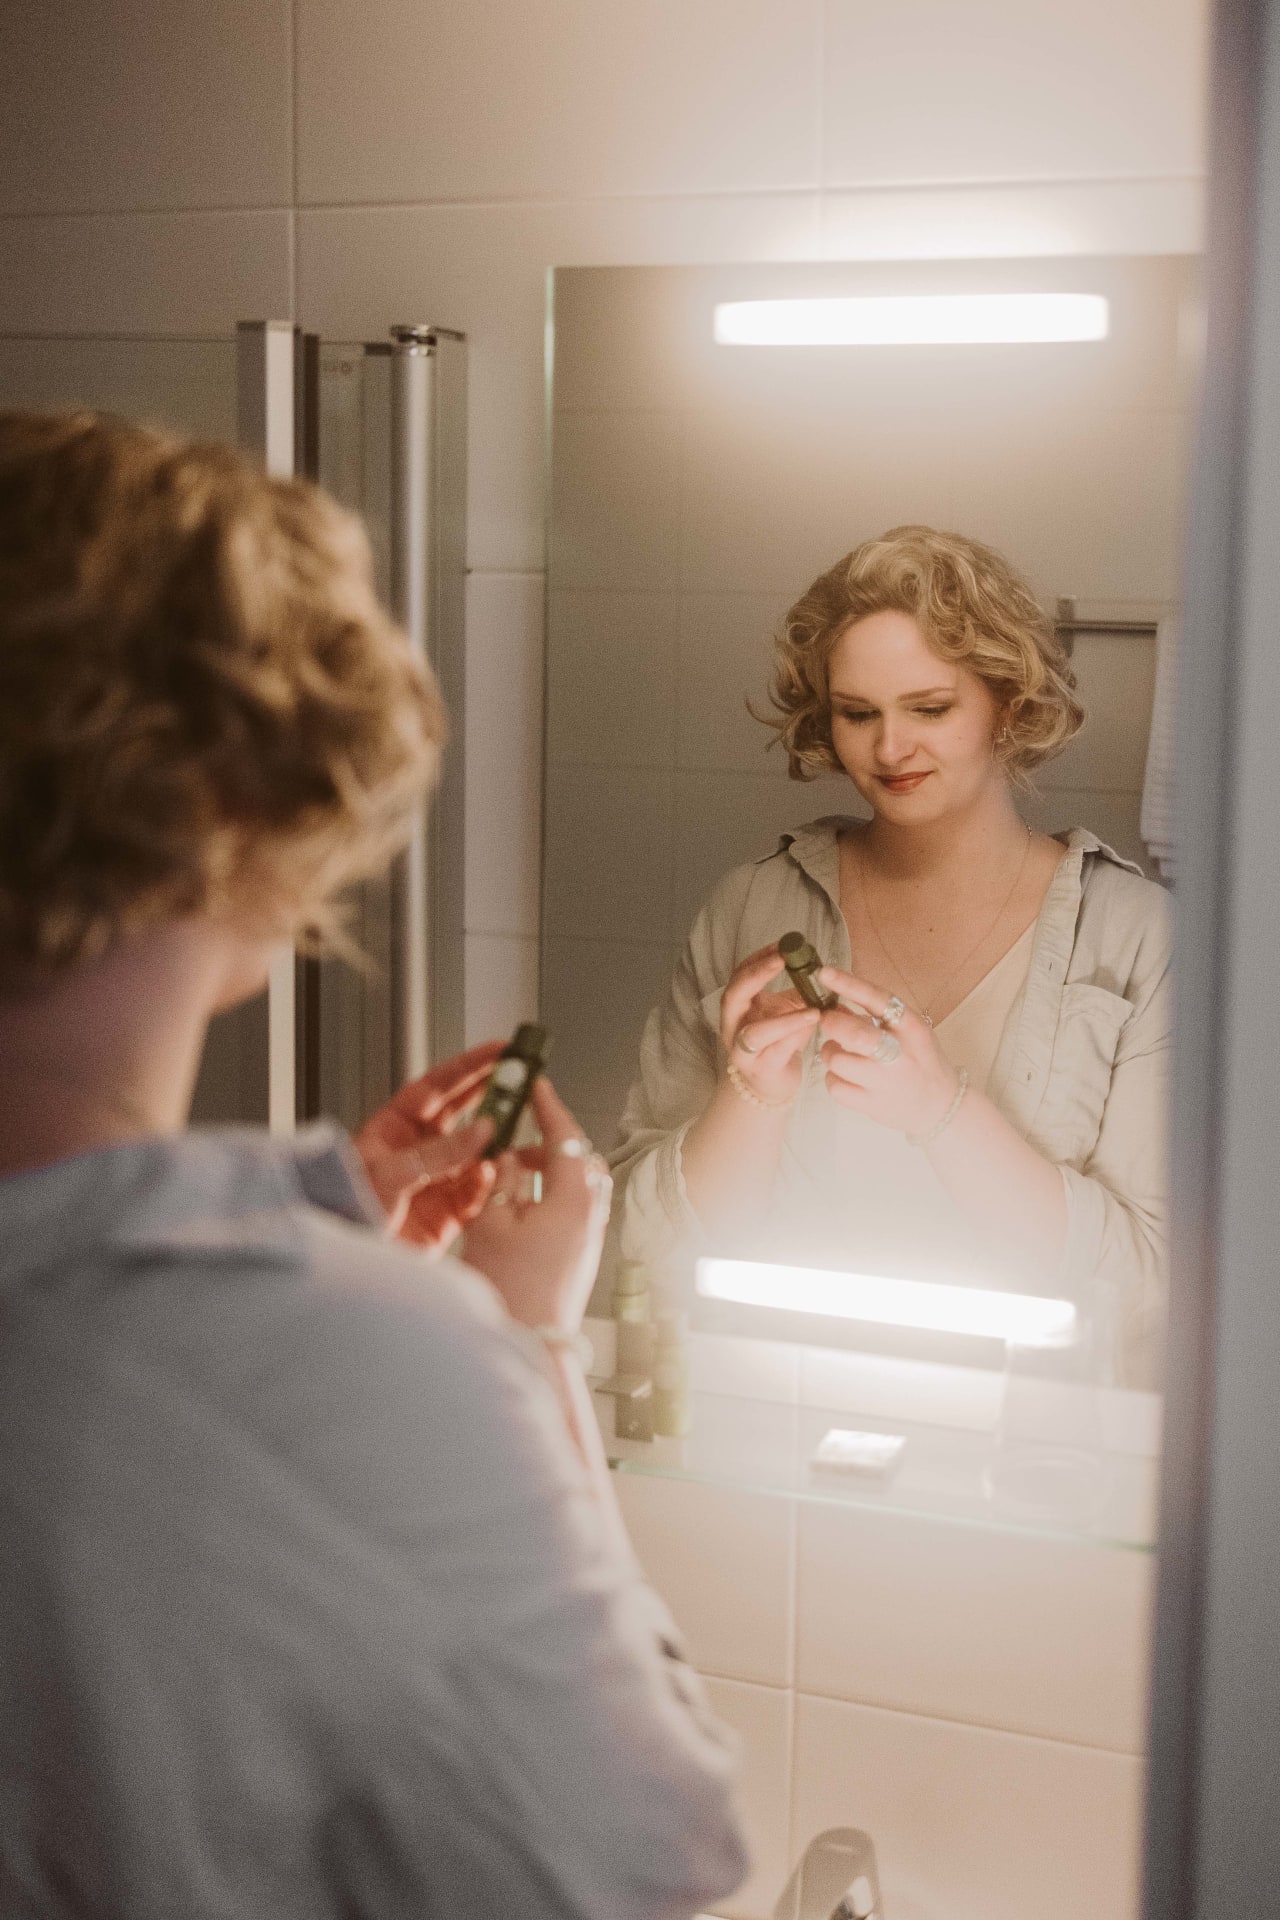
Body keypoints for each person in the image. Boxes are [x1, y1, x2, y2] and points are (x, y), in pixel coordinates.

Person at [0, 411, 747, 1918]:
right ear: (242, 811)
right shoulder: (348, 1370)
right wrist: (523, 1339)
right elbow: (654, 1871)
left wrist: (318, 1215)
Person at [612, 526, 1170, 1386]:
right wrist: (751, 1095)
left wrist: (942, 1113)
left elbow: (1146, 1288)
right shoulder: (755, 908)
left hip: (1033, 1445)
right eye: (857, 713)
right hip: (776, 1407)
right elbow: (644, 1253)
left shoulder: (1136, 937)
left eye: (931, 708)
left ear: (1009, 707)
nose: (889, 749)